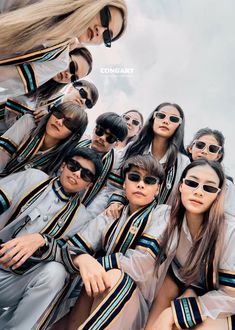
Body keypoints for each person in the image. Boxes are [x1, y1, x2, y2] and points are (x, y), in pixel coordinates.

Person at [31, 154, 167, 330]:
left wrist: (93, 264)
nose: (141, 184)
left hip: (135, 300)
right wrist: (83, 260)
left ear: (158, 189)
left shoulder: (163, 214)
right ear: (124, 183)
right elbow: (74, 247)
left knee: (112, 276)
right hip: (97, 291)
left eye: (149, 181)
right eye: (134, 177)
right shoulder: (111, 214)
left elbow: (141, 265)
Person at [0, 147, 103, 329]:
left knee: (57, 272)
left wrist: (42, 240)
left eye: (86, 174)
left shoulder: (82, 218)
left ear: (89, 185)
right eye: (74, 166)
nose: (77, 174)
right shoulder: (33, 178)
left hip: (14, 281)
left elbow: (69, 254)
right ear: (63, 165)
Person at [145, 159, 235, 330]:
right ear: (180, 186)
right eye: (192, 183)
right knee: (153, 325)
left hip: (222, 297)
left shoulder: (230, 231)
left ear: (217, 194)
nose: (198, 192)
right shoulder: (166, 216)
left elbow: (231, 295)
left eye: (208, 187)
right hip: (182, 280)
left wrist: (173, 312)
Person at [0, 1, 127, 100]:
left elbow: (5, 80)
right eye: (105, 17)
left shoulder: (58, 60)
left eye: (107, 37)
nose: (100, 31)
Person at [0, 101, 88, 175]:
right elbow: (2, 154)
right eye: (58, 113)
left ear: (75, 136)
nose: (59, 121)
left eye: (68, 123)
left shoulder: (62, 160)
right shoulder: (29, 123)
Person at [187, 127, 235, 218]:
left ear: (218, 156)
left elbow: (230, 218)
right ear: (190, 148)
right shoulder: (175, 173)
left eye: (212, 148)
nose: (204, 151)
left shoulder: (227, 186)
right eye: (200, 145)